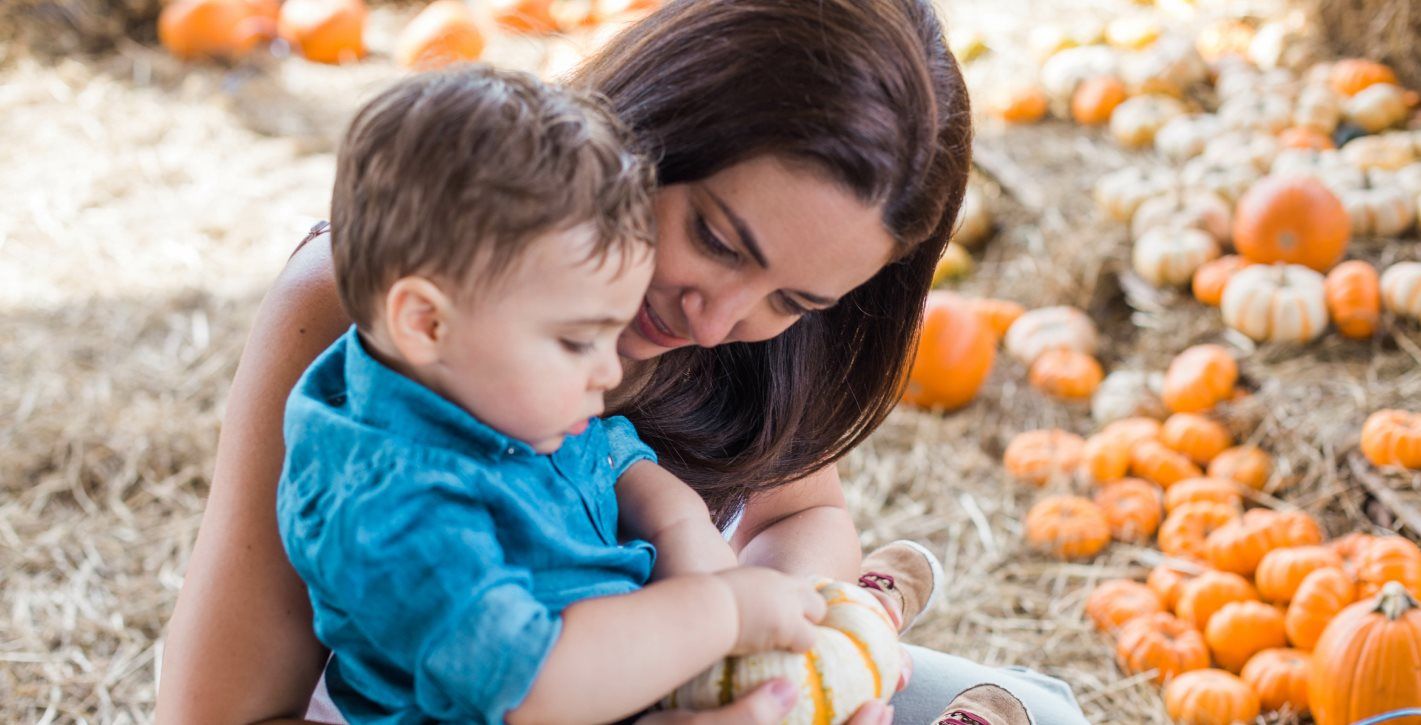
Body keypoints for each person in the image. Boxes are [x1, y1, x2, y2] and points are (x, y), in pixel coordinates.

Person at [155, 1, 1089, 723]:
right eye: (717, 239)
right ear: (656, 124)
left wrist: (777, 637)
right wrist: (707, 627)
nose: (720, 319)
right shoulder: (379, 314)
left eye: (794, 301)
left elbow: (802, 510)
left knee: (1040, 706)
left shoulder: (744, 327)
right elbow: (221, 711)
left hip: (656, 666)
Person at [275, 65, 829, 724]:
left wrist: (688, 540)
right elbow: (539, 684)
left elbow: (620, 466)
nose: (608, 370)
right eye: (576, 341)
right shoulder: (392, 507)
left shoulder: (492, 394)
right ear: (425, 322)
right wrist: (723, 610)